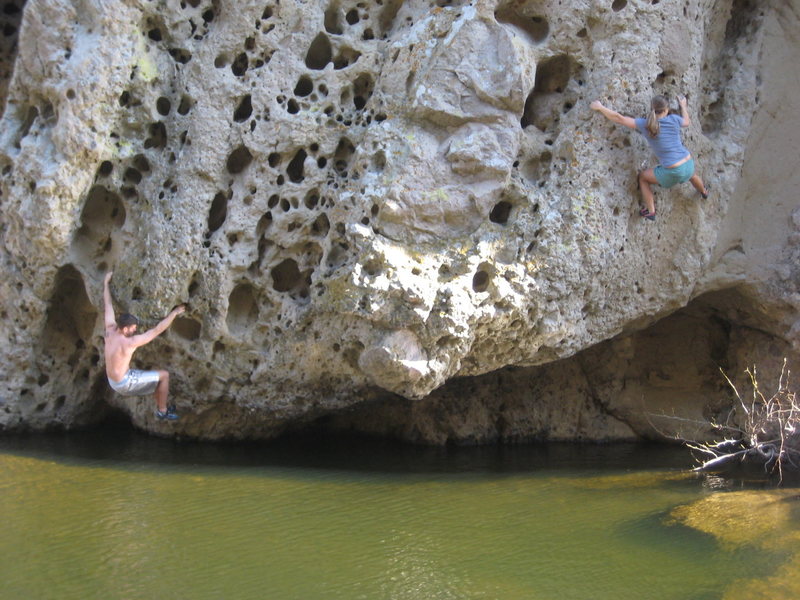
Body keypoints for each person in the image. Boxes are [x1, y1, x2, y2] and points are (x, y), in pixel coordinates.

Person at [590, 95, 709, 221]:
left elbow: (619, 118)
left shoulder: (645, 125)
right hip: (688, 163)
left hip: (674, 171)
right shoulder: (674, 119)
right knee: (692, 175)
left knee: (643, 178)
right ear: (666, 110)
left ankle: (651, 211)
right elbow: (686, 122)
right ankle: (704, 191)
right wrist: (683, 106)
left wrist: (600, 107)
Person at [103, 271, 186, 420]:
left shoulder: (109, 329)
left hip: (112, 381)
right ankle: (162, 412)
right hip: (124, 382)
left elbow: (107, 305)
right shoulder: (130, 342)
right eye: (133, 328)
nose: (135, 330)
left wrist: (105, 284)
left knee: (154, 381)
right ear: (125, 328)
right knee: (164, 376)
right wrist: (175, 312)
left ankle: (161, 403)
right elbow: (157, 330)